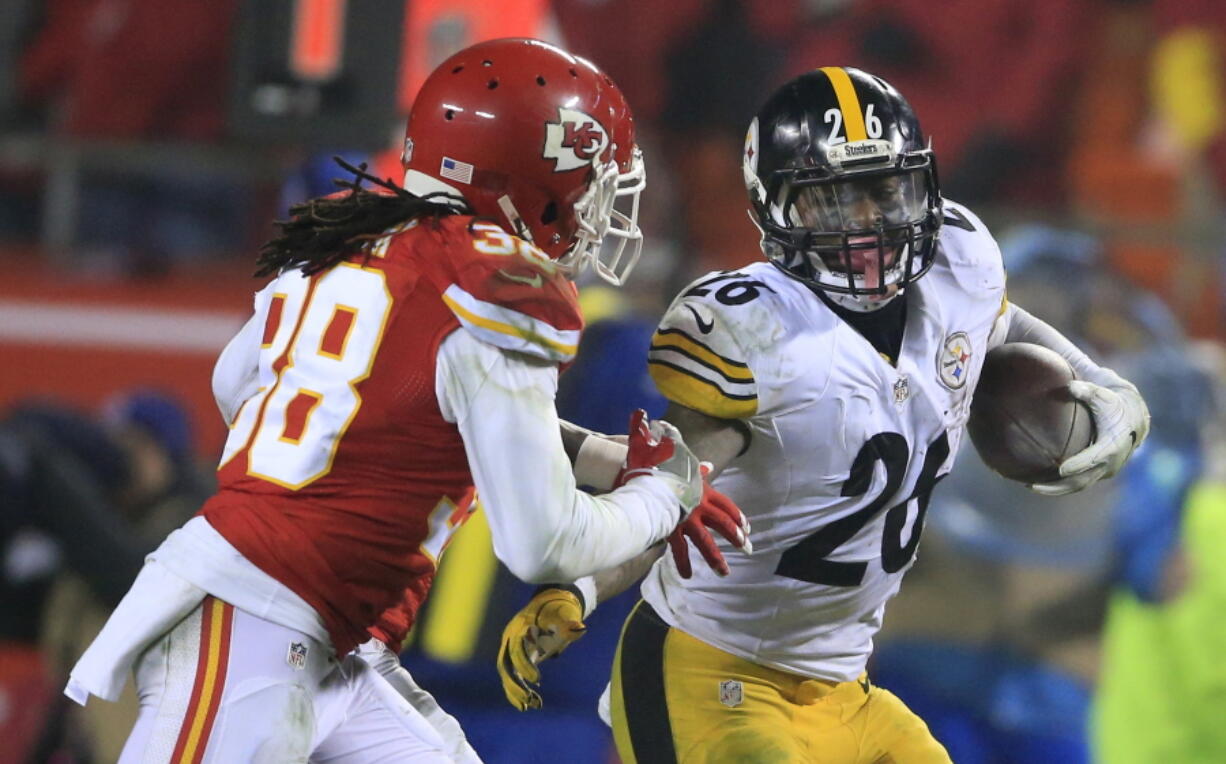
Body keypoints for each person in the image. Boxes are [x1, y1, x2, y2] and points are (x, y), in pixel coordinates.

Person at [62, 38, 745, 763]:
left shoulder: (350, 236)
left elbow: (242, 387)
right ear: (527, 178)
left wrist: (601, 457)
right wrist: (662, 496)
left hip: (330, 635)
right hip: (255, 621)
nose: (597, 207)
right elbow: (543, 543)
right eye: (589, 182)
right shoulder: (500, 286)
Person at [497, 66, 1151, 763]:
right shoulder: (752, 331)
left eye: (884, 190)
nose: (868, 223)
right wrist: (585, 589)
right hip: (710, 672)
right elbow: (673, 491)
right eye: (834, 202)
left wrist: (1100, 384)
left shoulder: (958, 263)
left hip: (842, 687)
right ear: (773, 209)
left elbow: (996, 324)